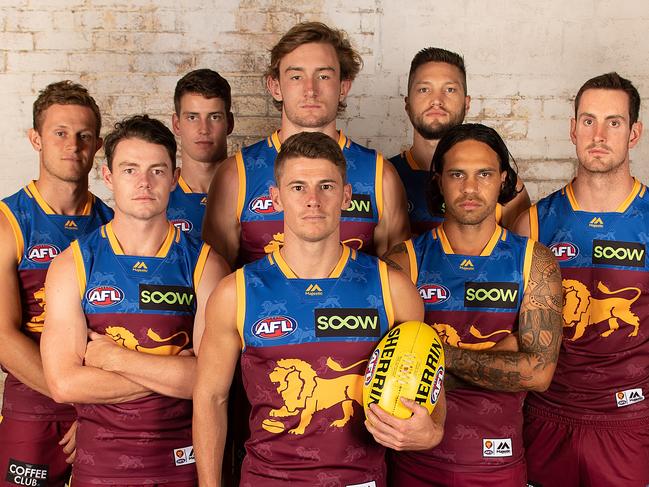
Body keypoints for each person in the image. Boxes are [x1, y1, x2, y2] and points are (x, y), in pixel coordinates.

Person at [194, 131, 444, 486]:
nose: (313, 200)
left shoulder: (393, 287)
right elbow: (211, 397)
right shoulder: (236, 292)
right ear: (275, 198)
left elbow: (432, 377)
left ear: (345, 196)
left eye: (326, 186)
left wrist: (433, 431)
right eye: (298, 187)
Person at [40, 115, 228, 486]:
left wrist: (114, 359)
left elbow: (210, 384)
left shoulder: (206, 265)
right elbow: (64, 384)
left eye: (157, 171)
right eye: (130, 170)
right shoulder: (72, 264)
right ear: (108, 177)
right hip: (99, 466)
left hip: (181, 463)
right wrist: (172, 369)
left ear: (174, 178)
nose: (144, 183)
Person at [383, 123, 562, 486]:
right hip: (414, 463)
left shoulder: (534, 262)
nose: (469, 187)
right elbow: (383, 373)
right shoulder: (403, 262)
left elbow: (539, 375)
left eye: (484, 174)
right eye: (456, 174)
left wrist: (435, 358)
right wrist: (504, 354)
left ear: (503, 180)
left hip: (499, 464)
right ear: (438, 182)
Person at [514, 72, 649, 486]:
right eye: (588, 120)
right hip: (547, 416)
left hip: (630, 420)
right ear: (572, 130)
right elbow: (515, 331)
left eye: (614, 122)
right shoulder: (534, 223)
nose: (599, 134)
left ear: (634, 133)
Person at [203, 21, 409, 267]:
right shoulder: (236, 174)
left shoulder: (379, 175)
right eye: (296, 76)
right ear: (275, 86)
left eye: (323, 76)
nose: (310, 90)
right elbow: (216, 285)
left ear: (344, 86)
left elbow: (395, 286)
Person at [0, 80, 113, 487]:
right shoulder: (9, 222)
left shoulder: (112, 225)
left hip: (104, 405)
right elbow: (3, 336)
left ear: (98, 144)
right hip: (36, 403)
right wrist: (73, 394)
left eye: (84, 136)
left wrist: (95, 409)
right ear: (36, 139)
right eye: (60, 133)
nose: (73, 145)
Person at [390, 47, 530, 233]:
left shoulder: (504, 184)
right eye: (424, 89)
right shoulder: (384, 176)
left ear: (467, 103)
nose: (436, 100)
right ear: (407, 104)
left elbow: (520, 256)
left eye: (449, 89)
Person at [169, 68, 234, 238]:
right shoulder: (157, 194)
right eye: (192, 117)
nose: (204, 129)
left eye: (214, 117)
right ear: (176, 124)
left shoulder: (254, 189)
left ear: (229, 123)